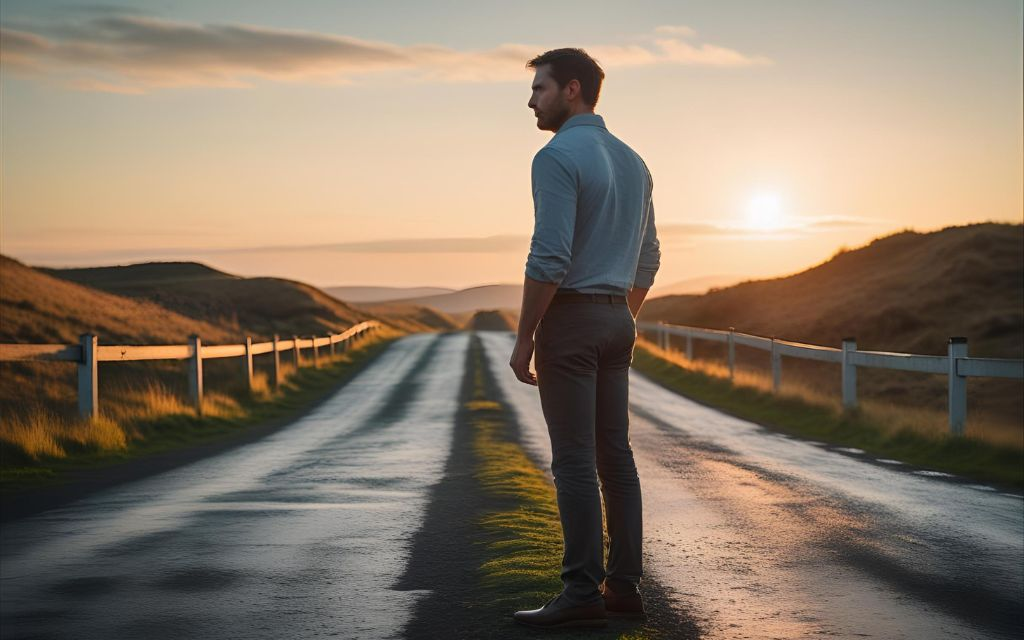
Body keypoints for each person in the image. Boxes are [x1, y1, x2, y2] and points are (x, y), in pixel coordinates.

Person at [509, 47, 661, 629]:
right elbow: (648, 258)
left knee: (573, 459)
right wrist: (618, 313)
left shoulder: (555, 156)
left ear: (572, 89)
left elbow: (549, 255)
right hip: (617, 318)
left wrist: (526, 336)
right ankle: (623, 588)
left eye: (539, 89)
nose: (531, 102)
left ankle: (580, 592)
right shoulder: (633, 161)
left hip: (571, 319)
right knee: (615, 456)